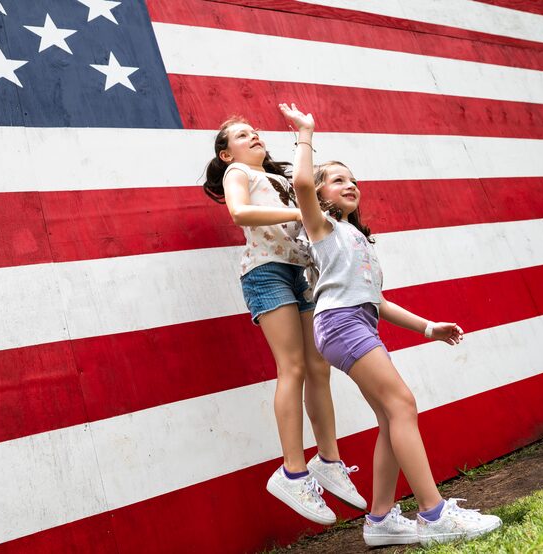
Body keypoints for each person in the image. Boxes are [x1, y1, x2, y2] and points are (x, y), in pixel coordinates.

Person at [278, 102, 502, 545]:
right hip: (341, 325)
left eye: (353, 179)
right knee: (403, 404)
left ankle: (380, 521)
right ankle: (435, 515)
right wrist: (305, 133)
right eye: (338, 179)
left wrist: (426, 327)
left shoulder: (356, 237)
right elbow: (301, 180)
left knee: (389, 415)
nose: (350, 184)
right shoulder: (321, 227)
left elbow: (375, 300)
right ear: (320, 195)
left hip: (356, 321)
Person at [202, 117, 367, 525]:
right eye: (241, 135)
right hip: (266, 271)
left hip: (300, 270)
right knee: (291, 367)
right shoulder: (239, 172)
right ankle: (293, 472)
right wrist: (297, 208)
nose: (252, 135)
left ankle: (328, 460)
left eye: (254, 130)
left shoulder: (277, 179)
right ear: (227, 154)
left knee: (318, 366)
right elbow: (239, 212)